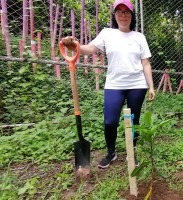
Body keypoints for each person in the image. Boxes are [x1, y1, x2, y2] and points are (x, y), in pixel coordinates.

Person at [61, 0, 155, 169]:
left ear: (131, 15)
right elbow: (89, 49)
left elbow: (145, 63)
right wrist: (74, 45)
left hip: (137, 84)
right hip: (114, 84)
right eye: (119, 12)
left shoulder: (139, 37)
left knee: (134, 120)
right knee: (110, 121)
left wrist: (151, 86)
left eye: (126, 12)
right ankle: (111, 153)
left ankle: (131, 152)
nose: (123, 15)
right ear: (114, 15)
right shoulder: (107, 34)